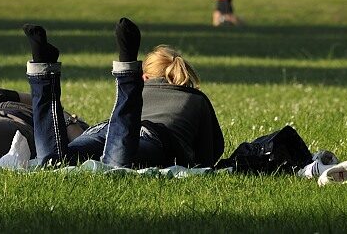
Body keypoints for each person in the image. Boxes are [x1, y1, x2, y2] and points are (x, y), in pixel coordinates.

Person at [22, 19, 224, 168]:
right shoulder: (197, 99)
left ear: (145, 77)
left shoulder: (145, 88)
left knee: (56, 162)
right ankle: (127, 69)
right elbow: (210, 153)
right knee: (116, 166)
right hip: (149, 139)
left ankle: (43, 71)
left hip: (104, 130)